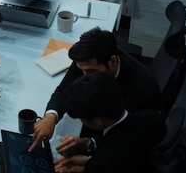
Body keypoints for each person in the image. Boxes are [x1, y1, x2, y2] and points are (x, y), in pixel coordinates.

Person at [30, 27, 161, 152]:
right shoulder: (87, 62)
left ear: (113, 62)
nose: (84, 76)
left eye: (91, 72)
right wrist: (51, 116)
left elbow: (129, 136)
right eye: (81, 70)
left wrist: (90, 143)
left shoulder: (142, 89)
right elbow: (64, 87)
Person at [53, 72, 166, 173]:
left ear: (97, 122)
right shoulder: (150, 116)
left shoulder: (104, 163)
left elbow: (111, 159)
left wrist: (92, 166)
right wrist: (89, 153)